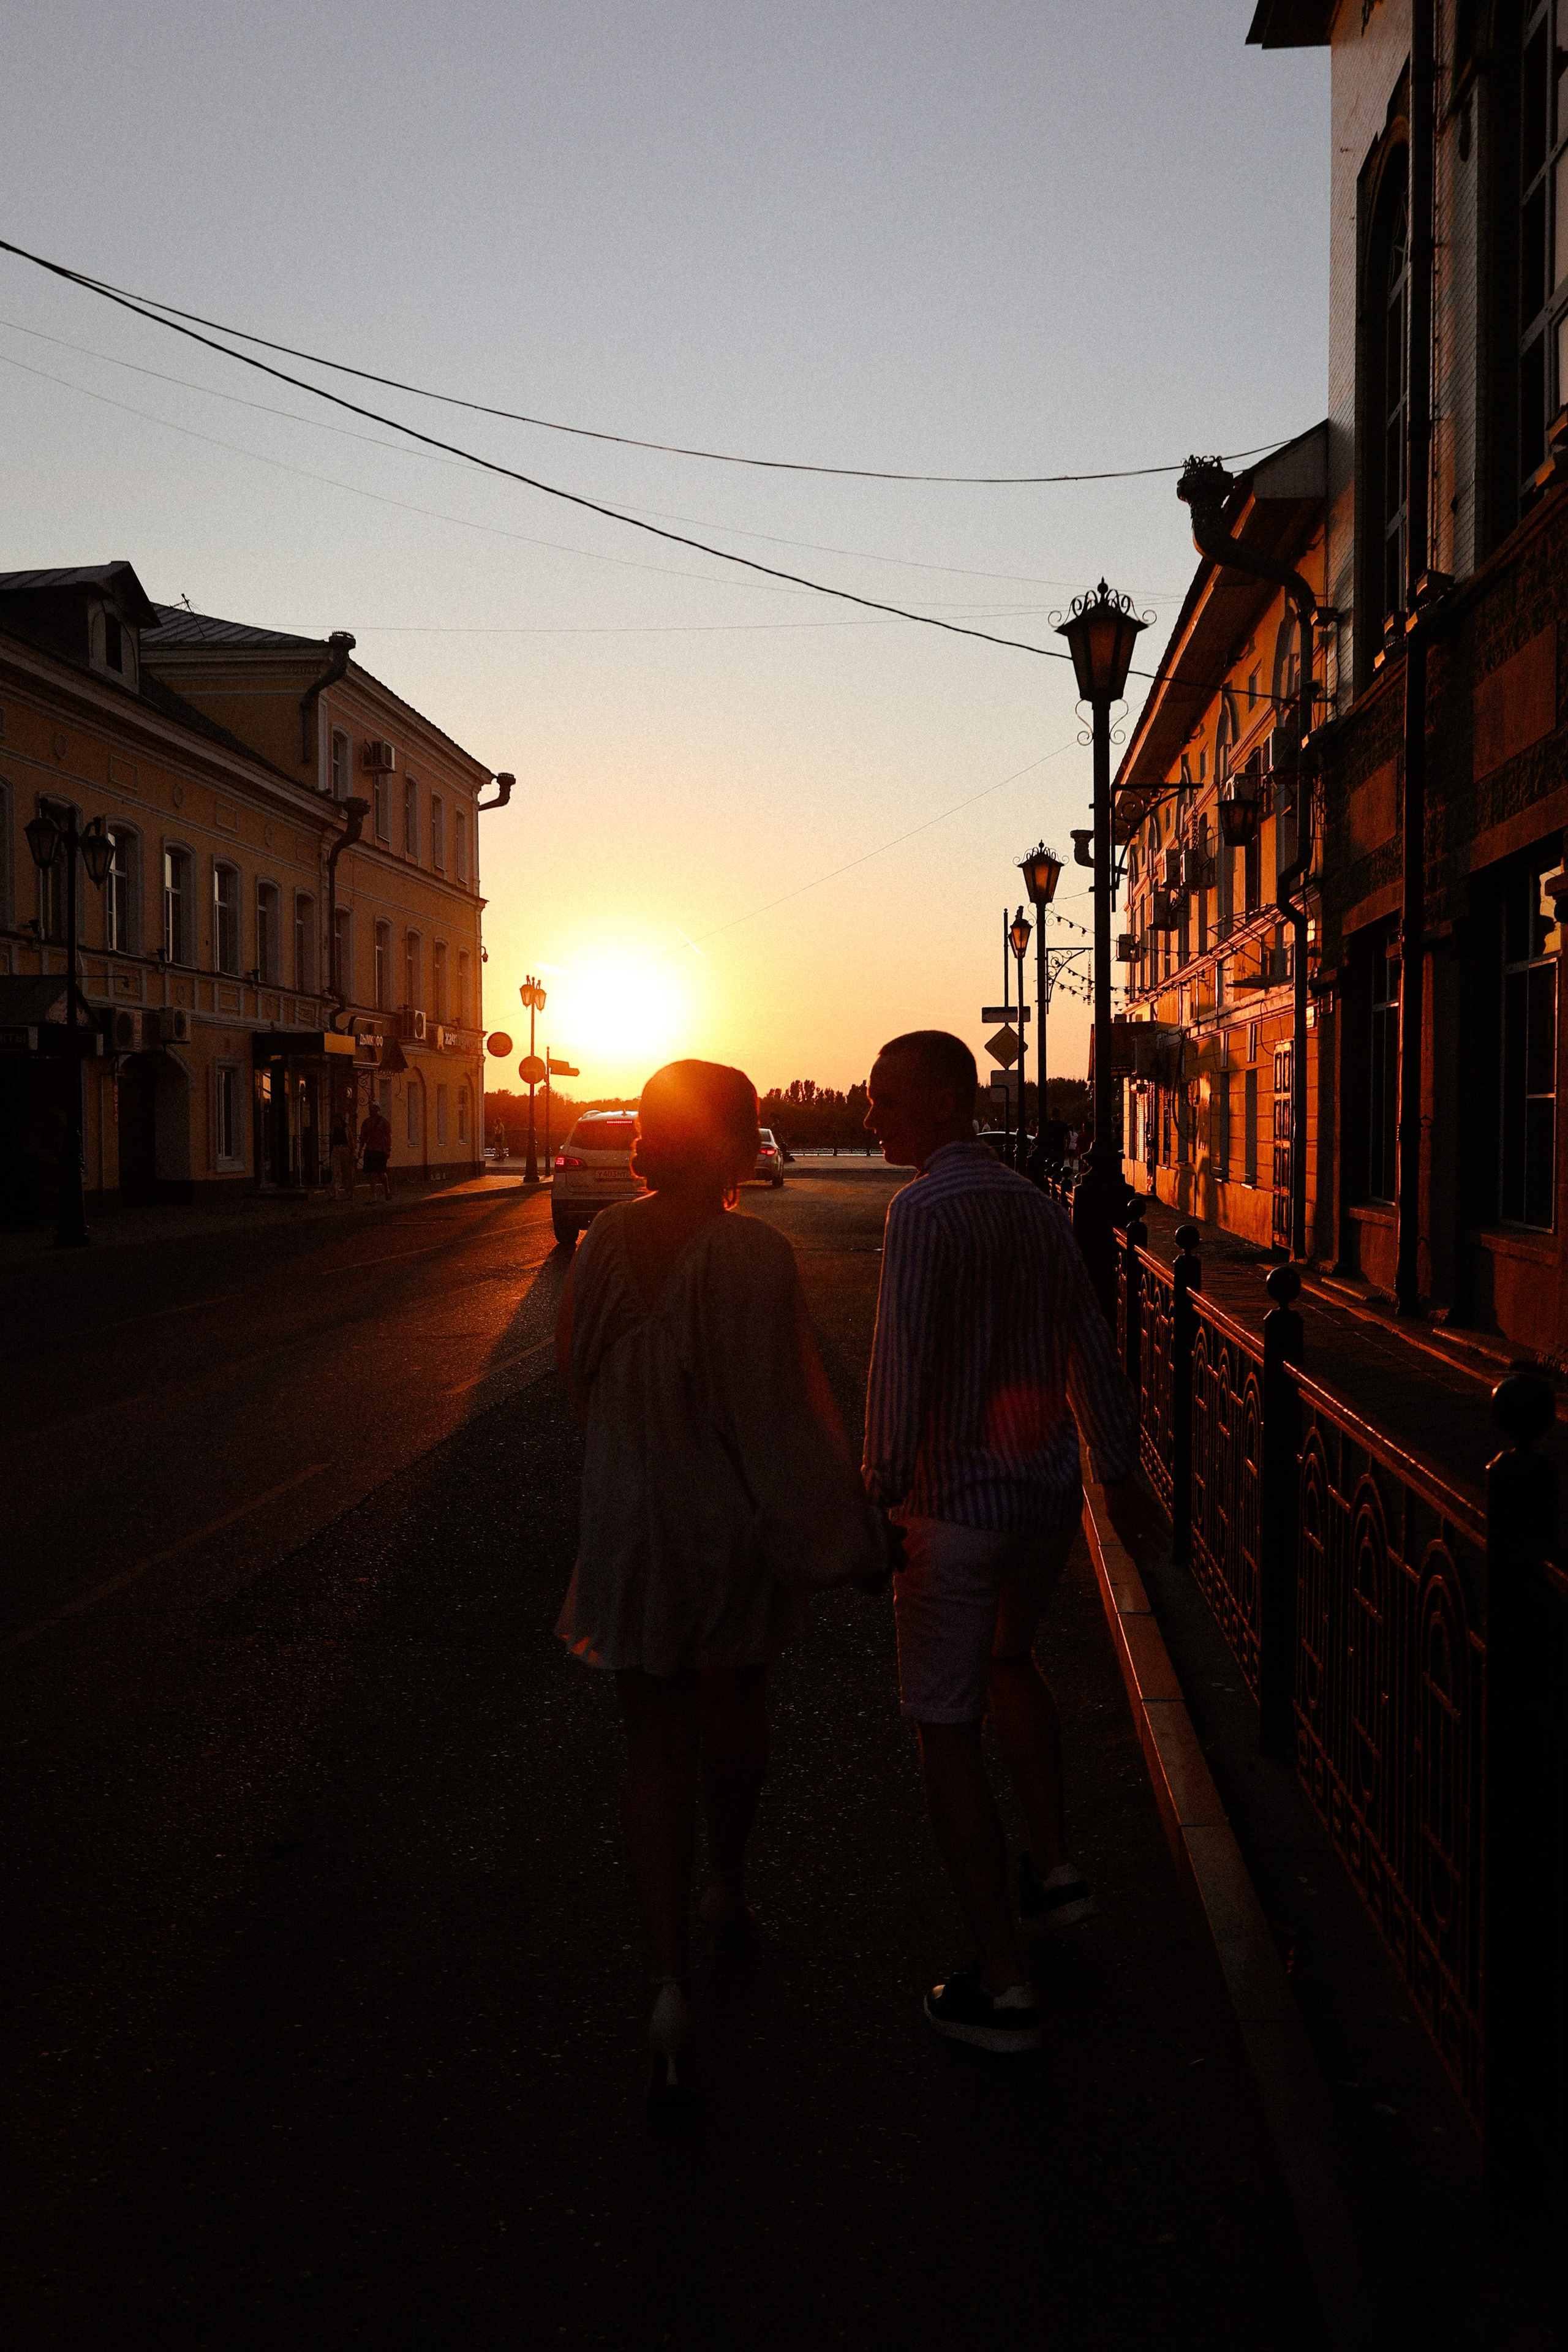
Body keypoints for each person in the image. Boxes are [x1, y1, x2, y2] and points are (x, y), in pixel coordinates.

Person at [555, 1059, 883, 2095]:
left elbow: (577, 1383)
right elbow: (783, 1419)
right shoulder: (755, 1255)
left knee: (650, 1741)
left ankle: (665, 1979)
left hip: (629, 1519)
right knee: (735, 1704)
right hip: (726, 1525)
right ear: (744, 1141)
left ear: (652, 1139)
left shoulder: (602, 1242)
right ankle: (728, 1888)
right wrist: (848, 1537)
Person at [861, 1030, 1139, 2056]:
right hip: (1041, 1500)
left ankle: (1004, 1981)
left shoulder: (922, 1211)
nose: (868, 1116)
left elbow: (902, 1367)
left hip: (953, 1508)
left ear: (939, 1103)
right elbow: (1086, 1337)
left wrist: (879, 1495)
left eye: (883, 1098)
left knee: (944, 1726)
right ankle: (1056, 1869)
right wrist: (1117, 1468)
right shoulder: (1034, 1202)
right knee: (1012, 1659)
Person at [358, 1099, 393, 1201]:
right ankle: (374, 1195)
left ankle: (386, 1188)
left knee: (381, 1173)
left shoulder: (384, 1121)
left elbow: (388, 1136)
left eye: (373, 1108)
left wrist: (388, 1149)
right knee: (371, 1173)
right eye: (370, 1108)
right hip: (370, 1150)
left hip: (381, 1150)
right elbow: (363, 1137)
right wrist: (360, 1149)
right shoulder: (366, 1122)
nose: (371, 1110)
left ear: (377, 1109)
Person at [329, 1108, 355, 1200]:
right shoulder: (333, 1131)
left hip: (345, 1150)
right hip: (337, 1150)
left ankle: (349, 1193)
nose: (335, 1123)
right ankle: (334, 1193)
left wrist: (352, 1153)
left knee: (347, 1173)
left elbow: (351, 1141)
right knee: (336, 1172)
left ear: (340, 1121)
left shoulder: (347, 1129)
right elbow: (332, 1142)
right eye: (334, 1121)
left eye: (337, 1121)